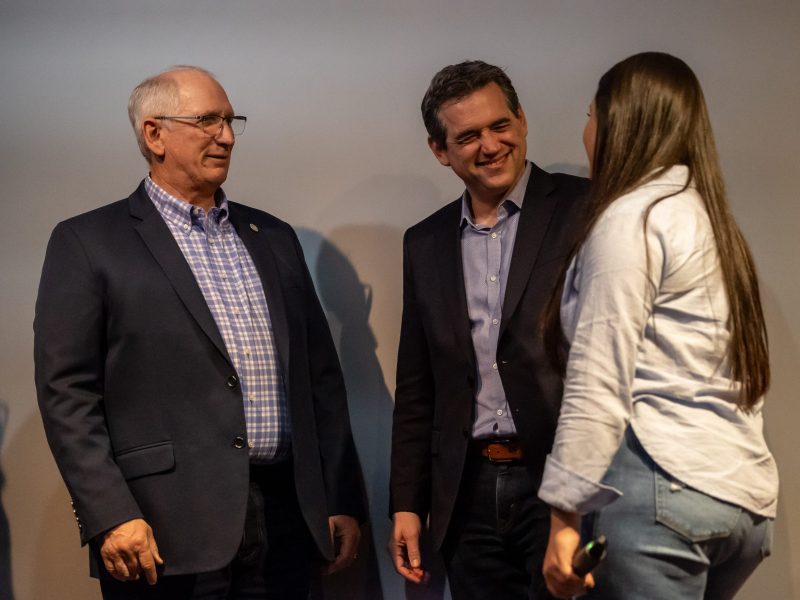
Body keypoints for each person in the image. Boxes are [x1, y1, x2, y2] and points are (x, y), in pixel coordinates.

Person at [34, 66, 363, 599]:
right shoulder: (88, 242)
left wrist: (341, 496)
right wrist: (109, 514)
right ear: (154, 133)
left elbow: (319, 377)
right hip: (161, 531)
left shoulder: (272, 236)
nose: (227, 136)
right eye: (207, 120)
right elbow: (66, 394)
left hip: (287, 522)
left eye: (231, 121)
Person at [538, 52, 779, 599]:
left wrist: (564, 517)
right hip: (743, 501)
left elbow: (599, 376)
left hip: (659, 490)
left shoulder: (632, 218)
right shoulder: (712, 221)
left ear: (621, 124)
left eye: (591, 117)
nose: (586, 132)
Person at [389, 60, 587, 599]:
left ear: (521, 120)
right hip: (466, 492)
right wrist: (407, 502)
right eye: (468, 135)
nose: (490, 145)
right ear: (440, 150)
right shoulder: (423, 243)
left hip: (563, 483)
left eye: (500, 125)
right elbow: (417, 383)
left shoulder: (586, 209)